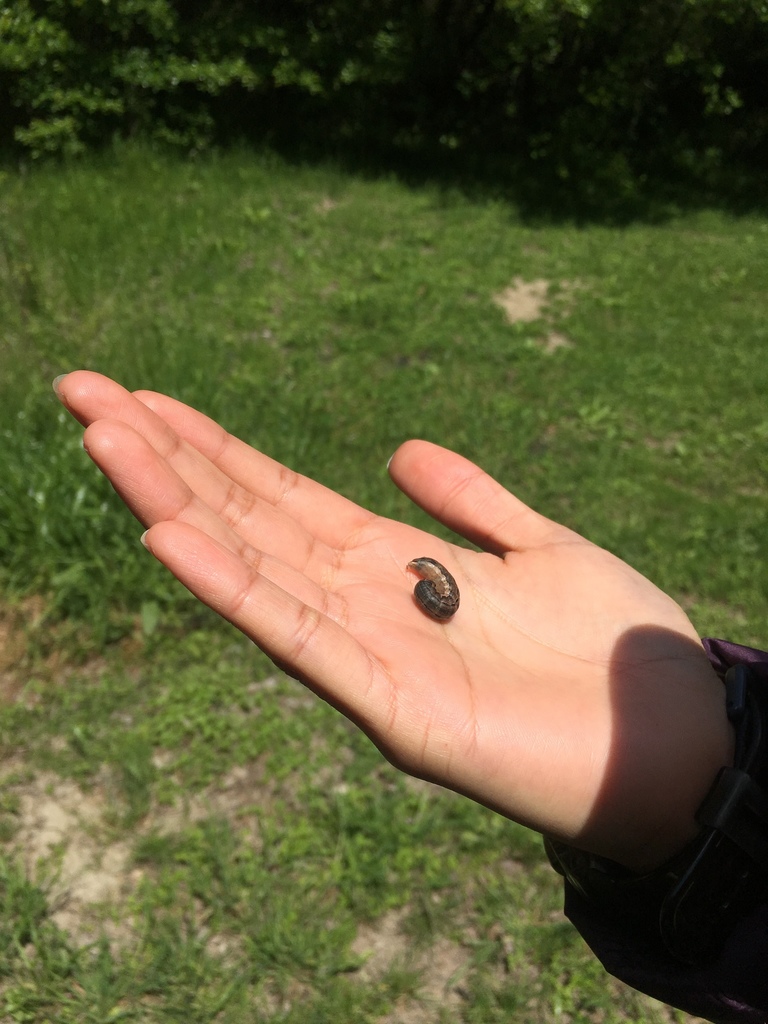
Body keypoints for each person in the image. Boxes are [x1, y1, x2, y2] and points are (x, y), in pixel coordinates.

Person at [54, 371, 768, 1022]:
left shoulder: (436, 592)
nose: (430, 586)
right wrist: (721, 771)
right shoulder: (433, 591)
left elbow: (439, 595)